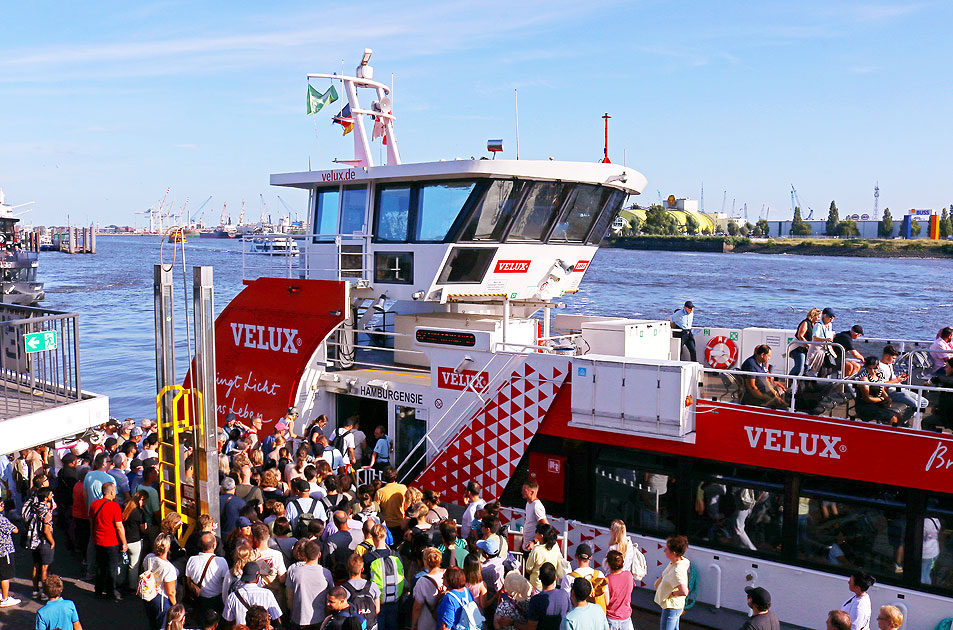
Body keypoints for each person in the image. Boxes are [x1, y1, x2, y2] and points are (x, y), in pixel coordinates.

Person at [365, 523, 405, 630]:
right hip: (395, 599)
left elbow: (365, 579)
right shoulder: (396, 555)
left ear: (372, 537)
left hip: (377, 601)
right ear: (385, 535)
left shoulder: (368, 557)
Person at [285, 539, 332, 629]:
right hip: (320, 618)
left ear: (304, 555)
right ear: (319, 555)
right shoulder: (326, 573)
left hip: (299, 618)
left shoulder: (294, 571)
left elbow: (289, 597)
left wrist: (292, 612)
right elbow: (330, 594)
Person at [223, 561, 282, 628]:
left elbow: (228, 621)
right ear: (257, 577)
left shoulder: (233, 596)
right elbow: (277, 618)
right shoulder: (267, 594)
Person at [141, 533, 178, 630]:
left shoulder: (148, 557)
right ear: (168, 547)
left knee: (152, 623)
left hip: (149, 595)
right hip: (162, 601)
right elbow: (171, 592)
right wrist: (176, 607)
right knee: (162, 626)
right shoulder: (169, 568)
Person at [186, 532, 229, 614]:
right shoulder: (221, 561)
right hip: (217, 601)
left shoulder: (192, 560)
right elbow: (225, 583)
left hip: (199, 600)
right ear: (214, 546)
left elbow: (188, 581)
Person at [24, 486, 55, 600]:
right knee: (45, 568)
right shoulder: (46, 512)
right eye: (51, 495)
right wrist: (52, 541)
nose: (52, 496)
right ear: (46, 498)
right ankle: (44, 592)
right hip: (44, 542)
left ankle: (35, 589)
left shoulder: (34, 507)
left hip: (34, 541)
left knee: (36, 566)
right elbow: (47, 530)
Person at [653, 536, 689, 630]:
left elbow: (684, 591)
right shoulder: (680, 561)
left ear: (673, 553)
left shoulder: (677, 570)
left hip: (671, 607)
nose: (664, 550)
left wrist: (672, 594)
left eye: (666, 549)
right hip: (675, 606)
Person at [561, 544, 607, 614]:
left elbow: (566, 603)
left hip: (577, 616)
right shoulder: (600, 575)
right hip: (596, 617)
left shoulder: (569, 578)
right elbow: (606, 601)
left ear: (576, 556)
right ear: (591, 558)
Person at [854, 357, 901, 426]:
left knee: (898, 417)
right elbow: (867, 399)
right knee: (892, 418)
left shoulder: (879, 374)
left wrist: (887, 400)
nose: (873, 371)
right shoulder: (864, 379)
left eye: (875, 368)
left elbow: (881, 387)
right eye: (870, 368)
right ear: (866, 368)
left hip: (877, 404)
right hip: (865, 407)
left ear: (878, 366)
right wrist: (881, 399)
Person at [878, 345, 925, 411]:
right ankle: (901, 420)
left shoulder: (889, 364)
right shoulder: (879, 367)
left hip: (899, 388)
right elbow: (880, 384)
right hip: (892, 392)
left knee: (924, 402)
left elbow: (892, 379)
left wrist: (900, 378)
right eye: (893, 358)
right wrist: (897, 380)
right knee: (916, 405)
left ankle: (903, 419)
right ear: (886, 356)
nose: (894, 361)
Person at [526, 563, 571, 630]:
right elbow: (569, 617)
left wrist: (513, 623)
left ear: (539, 578)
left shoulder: (535, 600)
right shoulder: (564, 595)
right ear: (555, 578)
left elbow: (531, 627)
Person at [121, 489, 149, 593]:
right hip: (135, 541)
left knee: (122, 562)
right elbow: (143, 528)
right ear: (142, 500)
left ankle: (119, 581)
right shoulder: (139, 513)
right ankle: (132, 586)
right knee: (134, 565)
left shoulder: (125, 507)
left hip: (124, 539)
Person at [413, 547, 446, 630]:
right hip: (443, 621)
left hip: (427, 622)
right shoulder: (447, 574)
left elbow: (417, 607)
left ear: (426, 562)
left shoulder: (422, 581)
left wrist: (413, 624)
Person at [525, 525, 564, 592]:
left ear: (541, 536)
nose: (535, 534)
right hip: (552, 584)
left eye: (537, 532)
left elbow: (528, 569)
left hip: (537, 585)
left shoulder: (536, 550)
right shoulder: (555, 546)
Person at [374, 467, 407, 541]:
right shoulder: (403, 488)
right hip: (401, 523)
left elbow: (377, 510)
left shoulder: (380, 492)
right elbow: (406, 506)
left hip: (386, 525)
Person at [604, 551, 634, 630]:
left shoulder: (606, 580)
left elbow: (606, 602)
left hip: (611, 618)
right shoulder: (629, 575)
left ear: (608, 563)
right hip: (625, 617)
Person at [0, 497, 19, 608]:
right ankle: (5, 598)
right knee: (5, 576)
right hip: (4, 550)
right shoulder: (2, 519)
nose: (3, 506)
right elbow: (15, 530)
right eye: (1, 505)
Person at [790, 308, 821, 376]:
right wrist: (808, 345)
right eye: (818, 317)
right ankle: (789, 381)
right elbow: (800, 335)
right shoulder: (805, 323)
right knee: (799, 366)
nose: (819, 319)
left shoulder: (815, 325)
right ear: (813, 315)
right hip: (799, 348)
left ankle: (804, 383)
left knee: (808, 367)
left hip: (808, 349)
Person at [807, 307, 837, 376]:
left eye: (833, 317)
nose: (831, 319)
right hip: (818, 349)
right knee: (817, 369)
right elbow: (815, 338)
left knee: (829, 369)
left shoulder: (830, 325)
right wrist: (825, 339)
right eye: (830, 317)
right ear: (824, 316)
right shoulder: (818, 325)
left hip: (826, 349)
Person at [521, 480, 548, 552]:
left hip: (533, 548)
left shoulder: (537, 506)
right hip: (527, 546)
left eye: (524, 491)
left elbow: (545, 526)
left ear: (532, 492)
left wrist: (534, 541)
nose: (522, 492)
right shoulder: (528, 503)